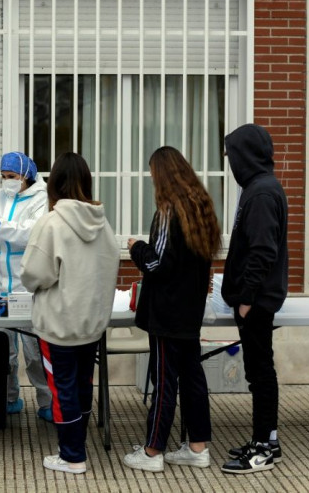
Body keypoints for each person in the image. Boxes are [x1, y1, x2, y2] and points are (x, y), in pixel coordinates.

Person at [122, 146, 221, 473]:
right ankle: (197, 447)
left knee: (164, 381)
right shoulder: (200, 208)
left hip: (166, 314)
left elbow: (157, 265)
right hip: (190, 312)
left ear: (161, 176)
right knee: (193, 378)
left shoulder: (169, 211)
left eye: (152, 174)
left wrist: (137, 248)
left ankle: (152, 452)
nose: (152, 181)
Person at [21, 152, 120, 474]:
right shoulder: (102, 222)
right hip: (91, 321)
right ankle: (78, 444)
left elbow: (35, 274)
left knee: (61, 387)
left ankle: (72, 455)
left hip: (59, 323)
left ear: (55, 185)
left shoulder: (51, 222)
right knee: (81, 384)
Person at [220, 124, 288, 474]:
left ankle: (264, 447)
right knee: (257, 371)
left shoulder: (261, 193)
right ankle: (266, 441)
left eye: (231, 154)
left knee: (260, 373)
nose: (228, 161)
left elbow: (262, 251)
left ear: (245, 155)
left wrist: (245, 298)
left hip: (257, 301)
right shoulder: (258, 187)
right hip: (256, 298)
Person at [0, 151, 53, 421]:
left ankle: (47, 402)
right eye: (4, 177)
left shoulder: (42, 198)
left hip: (26, 281)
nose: (7, 181)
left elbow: (32, 232)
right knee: (0, 347)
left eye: (13, 177)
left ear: (26, 176)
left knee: (34, 350)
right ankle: (8, 398)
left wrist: (0, 225)